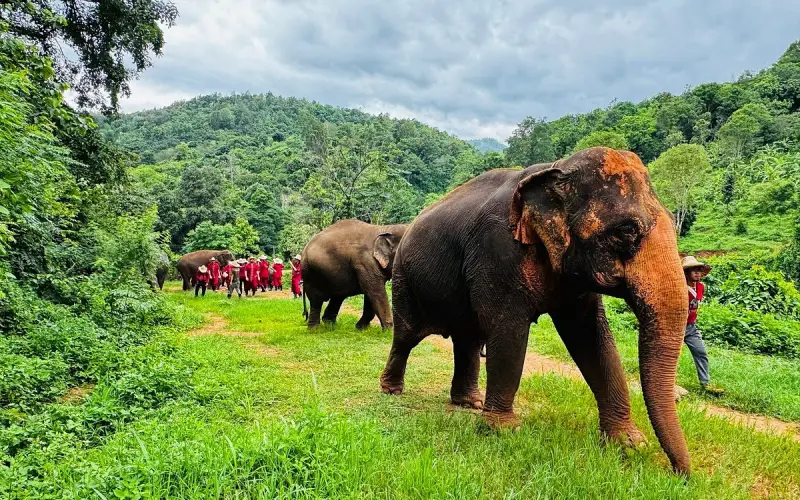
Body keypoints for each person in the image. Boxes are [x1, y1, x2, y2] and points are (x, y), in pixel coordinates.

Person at [681, 255, 725, 396]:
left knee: (701, 353)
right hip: (676, 327)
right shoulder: (679, 287)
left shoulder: (701, 287)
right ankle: (666, 383)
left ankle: (705, 383)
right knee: (671, 356)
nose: (697, 273)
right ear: (686, 272)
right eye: (693, 270)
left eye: (699, 270)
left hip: (691, 327)